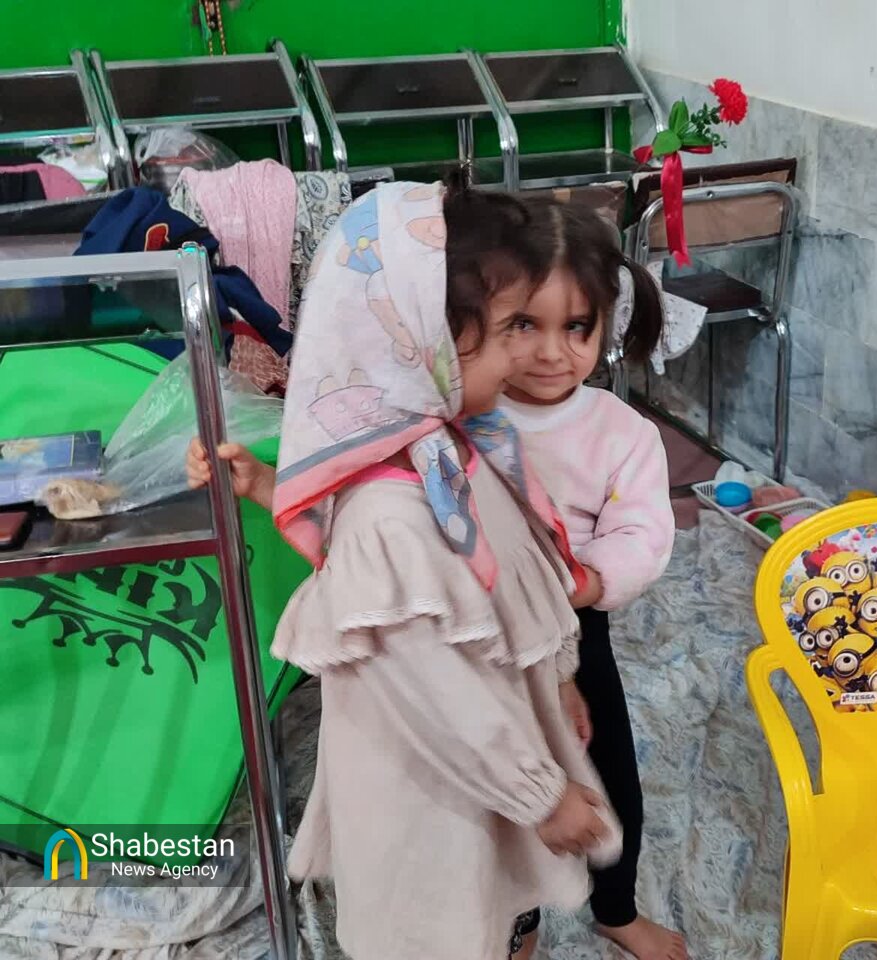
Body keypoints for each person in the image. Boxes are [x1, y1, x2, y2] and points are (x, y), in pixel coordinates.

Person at [231, 177, 621, 959]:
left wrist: (559, 677)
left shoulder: (451, 452)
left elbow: (514, 579)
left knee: (502, 909)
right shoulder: (390, 510)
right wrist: (540, 795)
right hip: (437, 800)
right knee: (446, 923)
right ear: (417, 341)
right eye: (509, 330)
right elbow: (435, 687)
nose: (524, 354)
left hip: (499, 771)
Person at [498, 196, 686, 960]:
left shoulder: (621, 432)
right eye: (525, 324)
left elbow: (644, 533)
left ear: (606, 323)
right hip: (488, 633)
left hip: (578, 624)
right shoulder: (467, 415)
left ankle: (615, 907)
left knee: (611, 782)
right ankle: (517, 922)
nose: (552, 352)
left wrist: (588, 581)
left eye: (576, 327)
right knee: (503, 793)